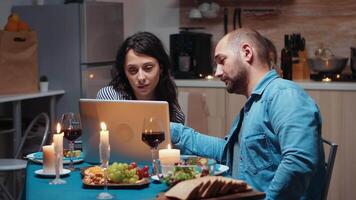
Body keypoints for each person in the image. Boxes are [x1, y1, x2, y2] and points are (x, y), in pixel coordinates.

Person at [170, 28, 325, 200]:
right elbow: (231, 154)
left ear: (246, 52)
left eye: (222, 60)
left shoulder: (283, 94)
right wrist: (177, 133)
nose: (217, 72)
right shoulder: (256, 103)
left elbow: (298, 161)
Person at [97, 32, 185, 124]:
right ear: (124, 72)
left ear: (161, 68)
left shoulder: (175, 115)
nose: (141, 77)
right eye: (132, 70)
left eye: (148, 68)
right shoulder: (110, 97)